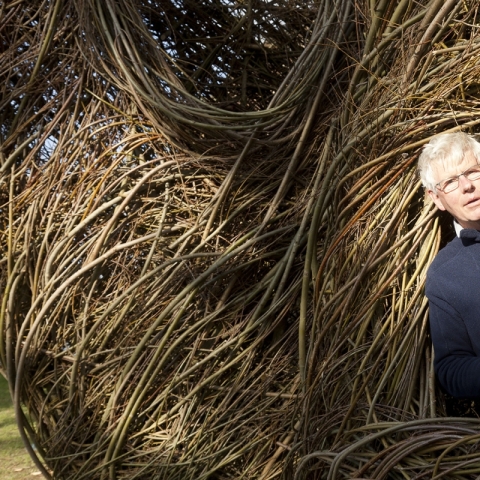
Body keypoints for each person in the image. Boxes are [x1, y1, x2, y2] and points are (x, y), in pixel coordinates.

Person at [418, 131, 480, 400]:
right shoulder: (445, 276)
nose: (467, 185)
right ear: (436, 198)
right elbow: (452, 367)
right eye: (451, 182)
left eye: (473, 172)